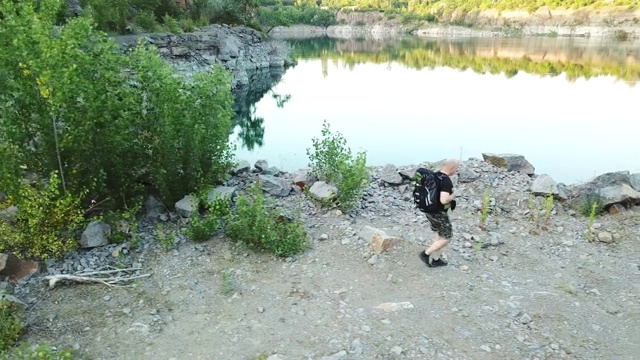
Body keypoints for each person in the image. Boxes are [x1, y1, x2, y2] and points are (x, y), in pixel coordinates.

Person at [419, 158, 458, 268]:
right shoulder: (445, 180)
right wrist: (453, 195)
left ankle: (436, 259)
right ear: (452, 168)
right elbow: (444, 200)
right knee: (447, 237)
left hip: (428, 210)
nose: (456, 171)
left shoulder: (433, 176)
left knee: (438, 233)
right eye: (456, 168)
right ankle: (425, 254)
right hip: (438, 212)